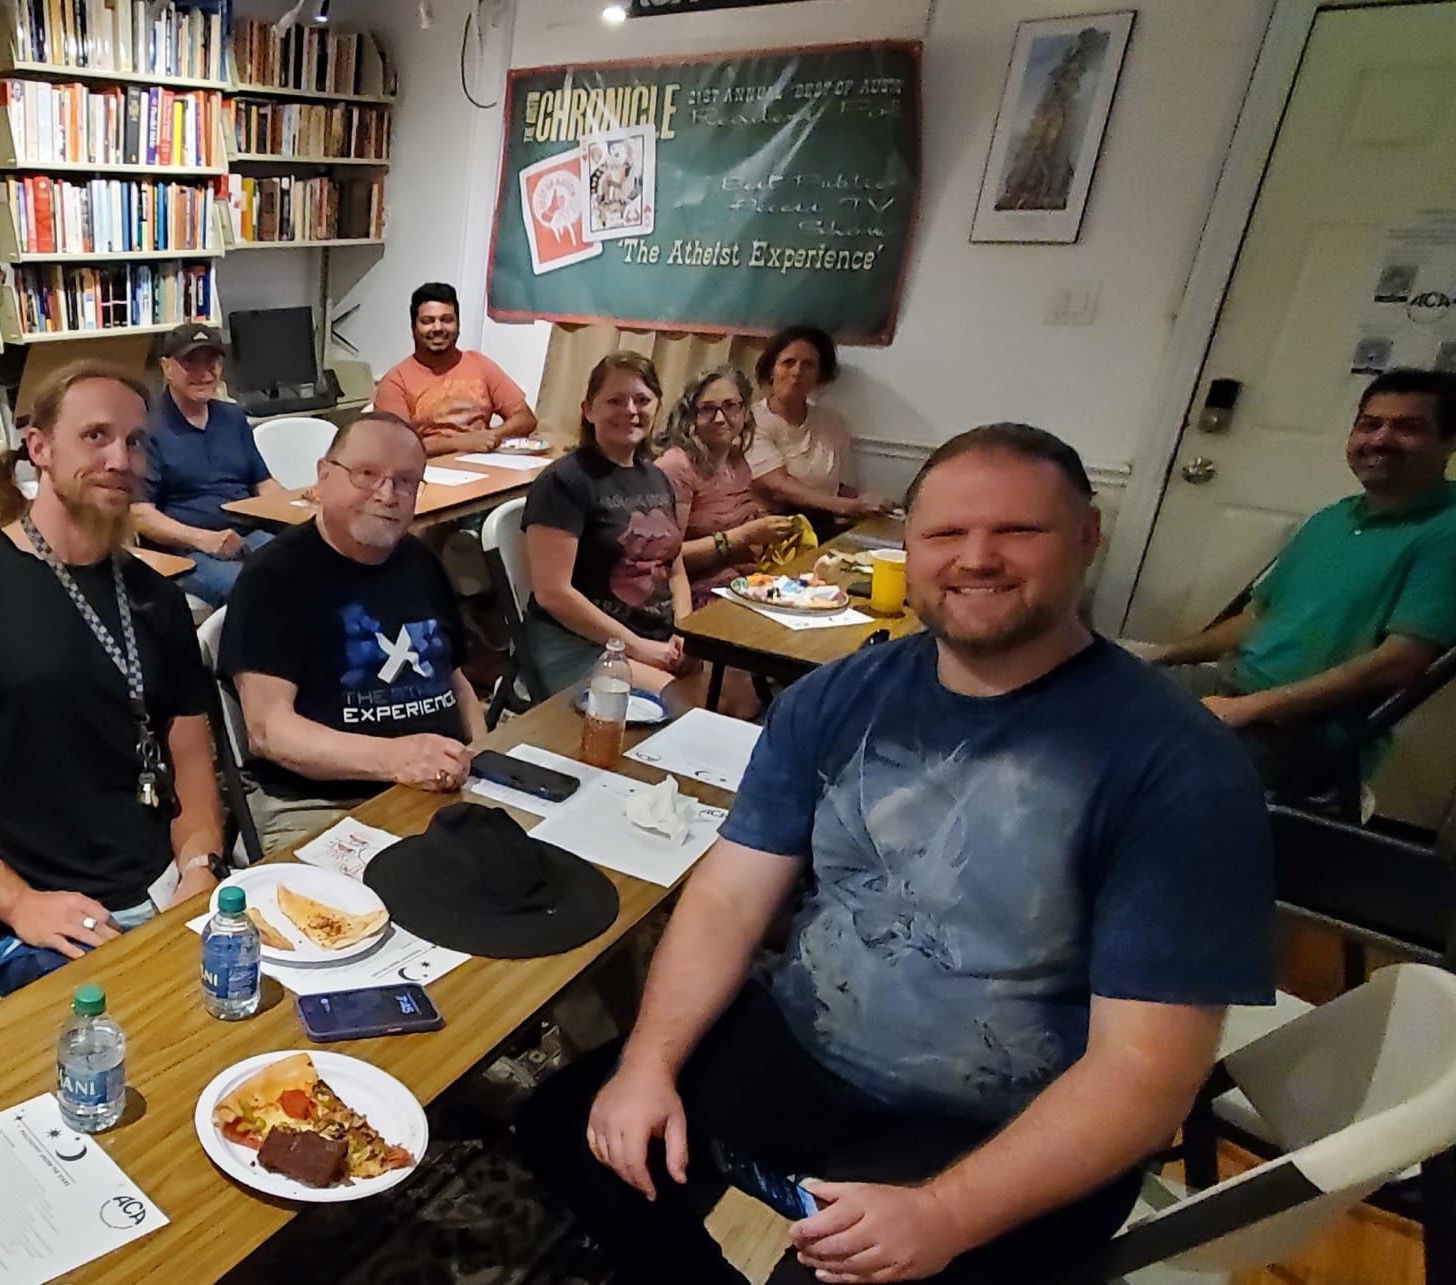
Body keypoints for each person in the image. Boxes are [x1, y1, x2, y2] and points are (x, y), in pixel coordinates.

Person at [516, 424, 1273, 1285]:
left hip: (1000, 1124)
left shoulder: (1179, 766)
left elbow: (1144, 1074)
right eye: (945, 533)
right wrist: (647, 1065)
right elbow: (728, 896)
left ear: (1086, 537)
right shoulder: (835, 697)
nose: (976, 558)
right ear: (906, 549)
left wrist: (945, 1213)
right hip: (804, 1043)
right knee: (570, 1126)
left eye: (1018, 529)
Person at [0, 363, 228, 996]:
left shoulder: (156, 598)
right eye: (95, 436)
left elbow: (191, 763)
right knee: (131, 1035)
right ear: (39, 448)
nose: (119, 459)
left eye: (136, 441)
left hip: (164, 888)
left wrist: (199, 868)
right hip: (34, 916)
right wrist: (17, 902)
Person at [1132, 368, 1456, 793]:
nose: (1380, 439)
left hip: (1308, 732)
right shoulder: (1333, 518)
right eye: (1369, 424)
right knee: (1083, 692)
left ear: (1451, 441)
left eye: (1408, 427)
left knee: (1124, 756)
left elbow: (1400, 662)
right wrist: (1159, 654)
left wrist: (1250, 708)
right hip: (1231, 688)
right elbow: (1257, 618)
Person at [219, 412, 487, 853]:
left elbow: (454, 677)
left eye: (405, 482)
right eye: (366, 474)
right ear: (324, 477)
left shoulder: (420, 561)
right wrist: (398, 759)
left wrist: (481, 750)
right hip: (321, 801)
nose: (387, 494)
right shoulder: (274, 577)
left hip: (440, 781)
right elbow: (269, 731)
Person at [519, 353, 699, 704]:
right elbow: (553, 593)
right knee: (690, 704)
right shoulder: (564, 482)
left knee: (737, 690)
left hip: (652, 637)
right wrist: (638, 648)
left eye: (642, 400)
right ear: (589, 409)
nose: (631, 410)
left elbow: (675, 569)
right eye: (615, 401)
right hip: (580, 643)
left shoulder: (657, 477)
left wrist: (685, 631)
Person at [133, 322, 284, 606]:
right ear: (167, 368)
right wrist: (203, 539)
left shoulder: (233, 417)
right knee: (250, 590)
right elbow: (139, 514)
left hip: (247, 535)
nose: (203, 374)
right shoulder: (147, 428)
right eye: (191, 363)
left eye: (211, 363)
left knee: (304, 566)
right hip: (186, 550)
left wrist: (298, 510)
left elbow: (263, 483)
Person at [652, 363, 799, 594]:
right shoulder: (677, 467)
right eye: (707, 409)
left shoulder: (736, 458)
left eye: (730, 406)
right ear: (691, 415)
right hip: (692, 593)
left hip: (741, 582)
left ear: (745, 412)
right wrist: (743, 536)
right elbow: (663, 557)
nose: (719, 418)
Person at [372, 282, 536, 455]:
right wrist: (458, 443)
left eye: (447, 320)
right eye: (427, 321)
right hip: (427, 468)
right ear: (413, 328)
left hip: (482, 463)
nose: (438, 328)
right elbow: (396, 446)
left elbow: (525, 418)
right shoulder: (396, 381)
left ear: (458, 325)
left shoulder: (479, 364)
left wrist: (492, 436)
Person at [750, 326, 892, 525]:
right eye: (788, 363)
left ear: (819, 375)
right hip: (774, 526)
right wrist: (848, 506)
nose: (797, 372)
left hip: (826, 522)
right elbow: (779, 488)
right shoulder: (751, 420)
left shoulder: (832, 422)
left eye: (808, 365)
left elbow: (845, 488)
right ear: (771, 370)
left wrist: (869, 507)